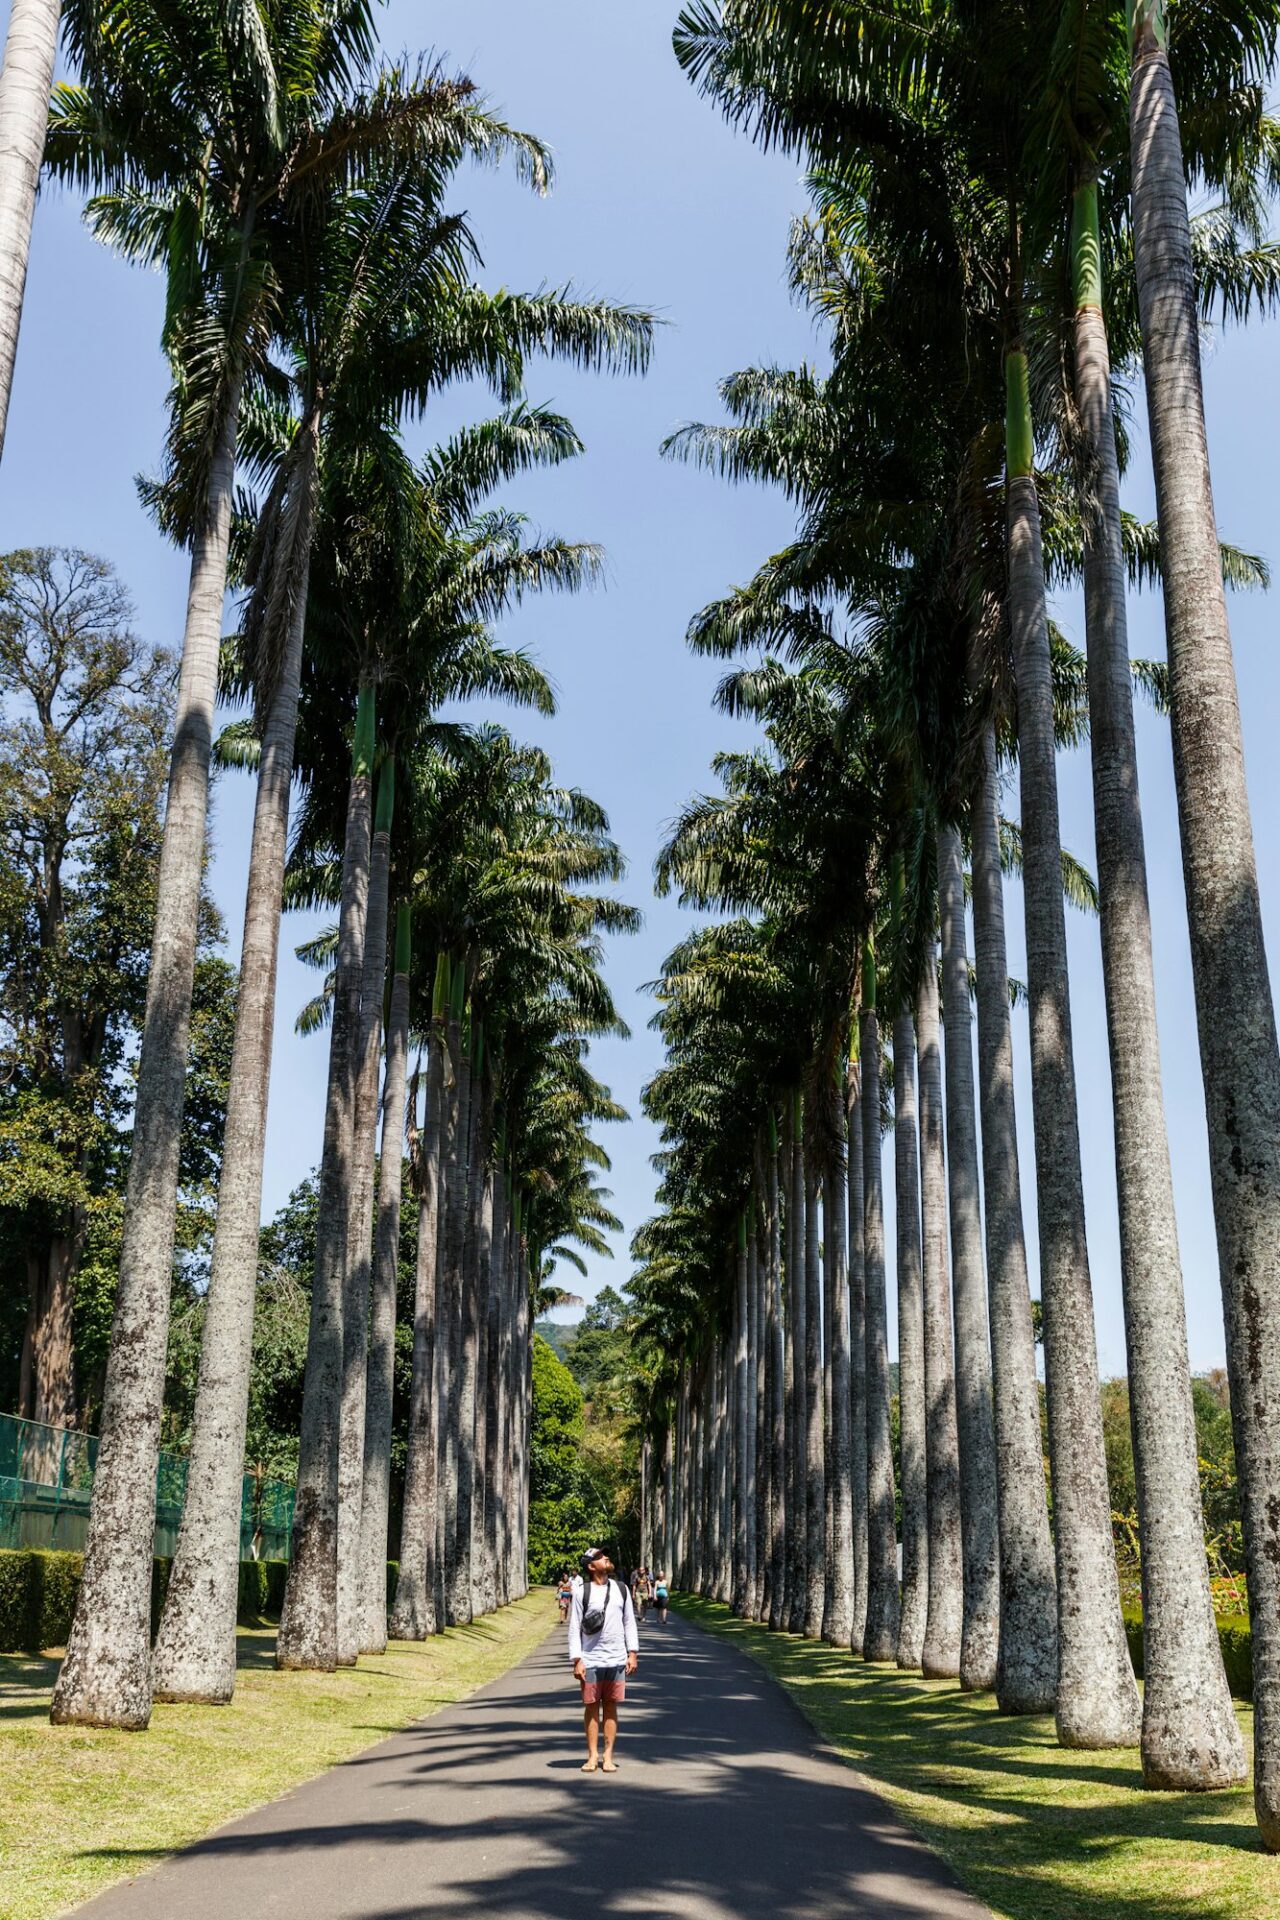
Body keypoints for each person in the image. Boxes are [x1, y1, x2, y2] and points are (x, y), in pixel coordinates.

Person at [568, 1545, 638, 1773]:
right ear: (591, 1566)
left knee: (610, 1707)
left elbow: (629, 1622)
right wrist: (577, 1659)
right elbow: (574, 1627)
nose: (606, 1558)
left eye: (604, 1556)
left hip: (616, 1659)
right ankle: (592, 1756)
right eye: (600, 1557)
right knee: (591, 1708)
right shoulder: (582, 1592)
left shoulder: (622, 1589)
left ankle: (608, 1756)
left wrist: (632, 1653)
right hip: (591, 1660)